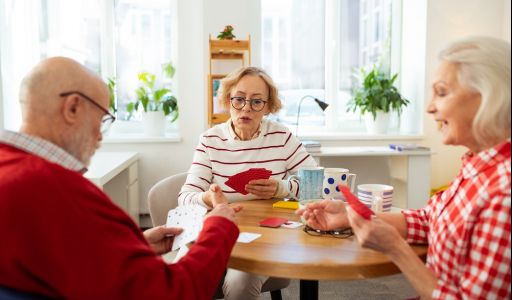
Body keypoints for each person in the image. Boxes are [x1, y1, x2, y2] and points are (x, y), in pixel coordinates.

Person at [0, 57, 240, 299]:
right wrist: (220, 227)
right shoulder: (60, 192)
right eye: (102, 119)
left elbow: (48, 260)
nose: (100, 137)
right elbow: (173, 293)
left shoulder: (12, 171)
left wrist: (134, 249)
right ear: (72, 108)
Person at [297, 36, 511, 299]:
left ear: (488, 97)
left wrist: (397, 250)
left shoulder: (503, 192)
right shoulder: (478, 165)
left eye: (442, 92)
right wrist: (349, 216)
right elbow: (431, 219)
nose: (430, 107)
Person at [179, 66, 317, 299]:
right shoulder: (210, 140)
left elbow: (318, 185)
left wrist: (283, 187)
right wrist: (208, 198)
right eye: (239, 99)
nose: (246, 108)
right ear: (227, 100)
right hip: (216, 231)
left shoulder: (282, 138)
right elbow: (185, 199)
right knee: (182, 280)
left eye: (256, 102)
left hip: (265, 236)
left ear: (269, 106)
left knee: (240, 283)